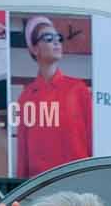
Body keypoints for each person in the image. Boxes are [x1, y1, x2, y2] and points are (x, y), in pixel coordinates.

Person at [14, 16, 95, 174]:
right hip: (41, 182)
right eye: (48, 38)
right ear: (34, 49)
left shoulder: (78, 89)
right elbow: (23, 152)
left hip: (76, 178)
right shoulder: (26, 97)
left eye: (58, 38)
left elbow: (92, 139)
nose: (57, 42)